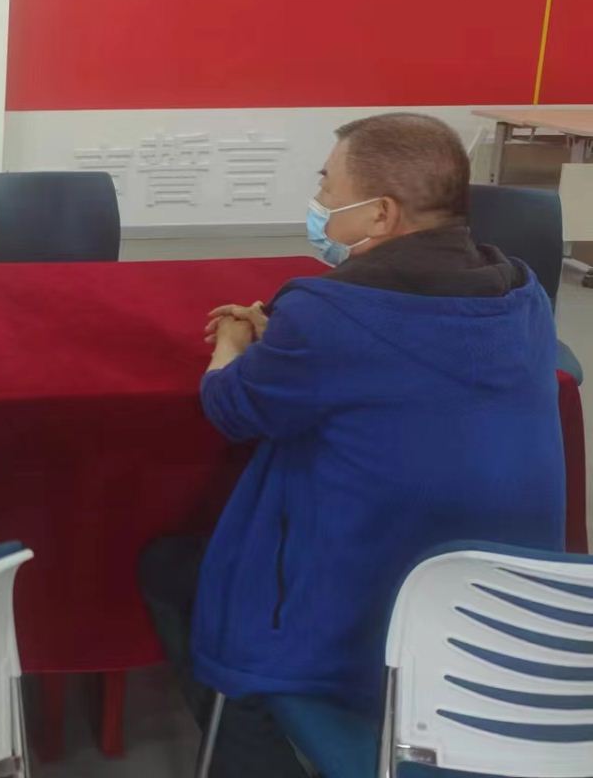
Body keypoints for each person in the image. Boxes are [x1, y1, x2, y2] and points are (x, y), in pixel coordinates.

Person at [139, 113, 565, 777]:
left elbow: (231, 407)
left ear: (380, 214)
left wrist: (232, 343)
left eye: (327, 188)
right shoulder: (521, 291)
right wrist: (287, 337)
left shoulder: (327, 313)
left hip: (377, 618)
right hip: (517, 623)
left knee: (182, 578)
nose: (319, 202)